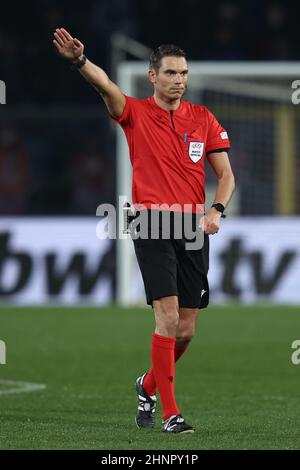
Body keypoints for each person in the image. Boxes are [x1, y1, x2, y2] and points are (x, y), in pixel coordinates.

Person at [53, 28, 235, 434]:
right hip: (151, 222)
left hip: (193, 227)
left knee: (186, 329)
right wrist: (81, 61)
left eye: (184, 73)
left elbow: (226, 176)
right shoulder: (134, 111)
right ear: (153, 76)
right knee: (167, 318)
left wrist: (217, 210)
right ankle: (171, 415)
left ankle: (146, 384)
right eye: (171, 73)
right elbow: (105, 85)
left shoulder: (203, 119)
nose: (179, 80)